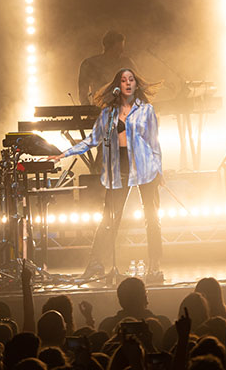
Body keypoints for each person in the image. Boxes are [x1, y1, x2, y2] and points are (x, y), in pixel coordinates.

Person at [50, 68, 164, 281]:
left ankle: (155, 267)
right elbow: (94, 139)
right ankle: (96, 264)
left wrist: (160, 168)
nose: (127, 83)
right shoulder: (109, 112)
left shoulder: (147, 111)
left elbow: (154, 141)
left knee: (152, 217)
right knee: (110, 217)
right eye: (123, 80)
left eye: (131, 80)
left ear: (136, 85)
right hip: (120, 167)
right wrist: (65, 153)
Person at [78, 31, 137, 105]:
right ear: (109, 47)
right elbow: (83, 93)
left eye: (121, 48)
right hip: (99, 110)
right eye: (118, 49)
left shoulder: (126, 63)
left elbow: (138, 86)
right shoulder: (90, 64)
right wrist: (89, 110)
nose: (122, 51)